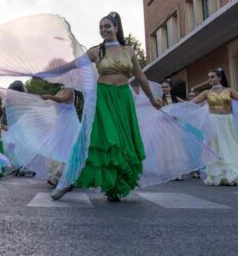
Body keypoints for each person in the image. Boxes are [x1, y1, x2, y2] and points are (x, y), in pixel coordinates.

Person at [52, 12, 161, 202]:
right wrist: (50, 72)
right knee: (94, 140)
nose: (104, 30)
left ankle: (115, 187)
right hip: (101, 99)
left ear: (116, 28)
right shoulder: (96, 51)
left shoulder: (130, 50)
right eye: (101, 27)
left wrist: (152, 98)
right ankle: (67, 182)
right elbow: (75, 64)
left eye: (107, 26)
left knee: (120, 143)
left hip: (123, 100)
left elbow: (140, 76)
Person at [191, 68, 238, 186]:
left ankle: (231, 175)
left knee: (230, 146)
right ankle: (218, 175)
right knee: (216, 147)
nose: (210, 79)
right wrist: (174, 108)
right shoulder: (206, 93)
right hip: (213, 122)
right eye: (209, 77)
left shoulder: (229, 91)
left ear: (219, 78)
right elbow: (191, 103)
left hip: (228, 122)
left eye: (212, 77)